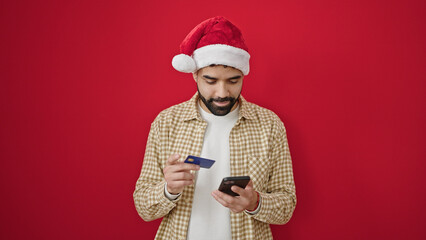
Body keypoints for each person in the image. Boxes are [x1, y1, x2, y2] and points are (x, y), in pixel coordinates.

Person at [133, 16, 296, 240]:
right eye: (210, 81)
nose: (222, 93)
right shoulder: (166, 122)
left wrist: (255, 202)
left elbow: (286, 206)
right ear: (195, 75)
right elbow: (143, 207)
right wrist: (167, 190)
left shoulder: (269, 125)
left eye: (233, 80)